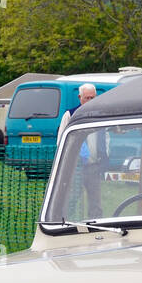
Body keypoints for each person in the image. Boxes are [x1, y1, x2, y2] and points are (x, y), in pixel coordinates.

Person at [64, 83, 106, 218]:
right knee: (71, 199)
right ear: (79, 97)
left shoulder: (100, 115)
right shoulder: (70, 115)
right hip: (75, 166)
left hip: (94, 166)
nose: (90, 101)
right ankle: (64, 223)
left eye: (92, 98)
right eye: (87, 98)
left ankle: (95, 226)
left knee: (95, 202)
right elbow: (62, 140)